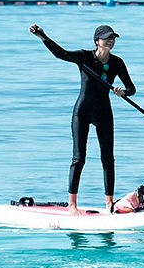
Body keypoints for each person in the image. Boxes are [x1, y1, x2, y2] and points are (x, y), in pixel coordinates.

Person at [29, 24, 136, 215]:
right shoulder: (85, 57)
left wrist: (123, 92)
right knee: (79, 158)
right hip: (82, 112)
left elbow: (131, 88)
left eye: (113, 38)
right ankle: (72, 205)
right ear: (97, 41)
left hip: (104, 112)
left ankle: (109, 204)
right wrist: (43, 36)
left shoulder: (118, 62)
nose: (111, 41)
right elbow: (60, 54)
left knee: (108, 159)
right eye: (107, 38)